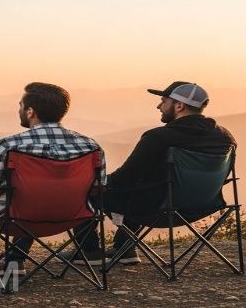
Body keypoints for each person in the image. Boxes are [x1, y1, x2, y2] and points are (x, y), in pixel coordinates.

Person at [0, 82, 105, 274]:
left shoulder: (10, 145)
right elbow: (98, 189)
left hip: (19, 219)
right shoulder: (91, 146)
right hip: (72, 217)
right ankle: (15, 259)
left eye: (20, 106)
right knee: (31, 197)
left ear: (30, 112)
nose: (19, 110)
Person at [77, 81, 237, 265]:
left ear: (179, 105)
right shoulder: (225, 137)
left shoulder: (158, 137)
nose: (159, 106)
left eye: (164, 101)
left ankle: (89, 252)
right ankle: (124, 248)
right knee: (144, 186)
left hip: (156, 209)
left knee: (86, 192)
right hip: (203, 205)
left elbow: (124, 179)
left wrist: (92, 182)